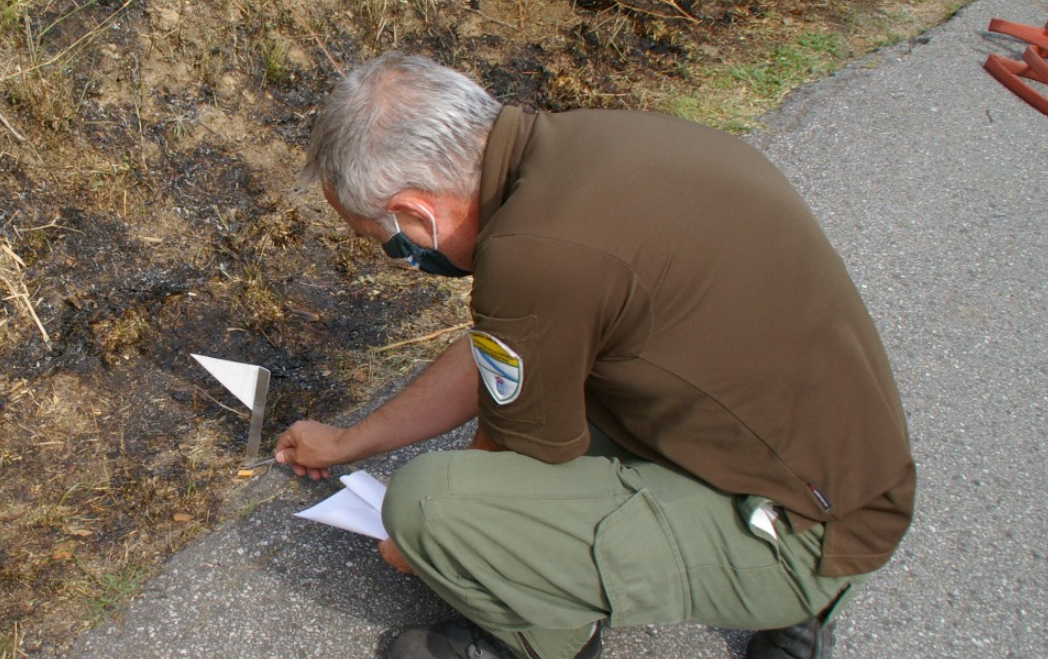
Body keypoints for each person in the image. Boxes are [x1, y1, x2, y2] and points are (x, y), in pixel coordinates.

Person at [274, 51, 916, 659]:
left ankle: (548, 641)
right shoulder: (587, 147)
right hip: (840, 464)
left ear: (416, 212)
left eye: (385, 241)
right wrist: (348, 443)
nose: (403, 260)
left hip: (811, 536)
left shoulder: (535, 254)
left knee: (423, 504)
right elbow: (503, 344)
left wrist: (432, 542)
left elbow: (503, 466)